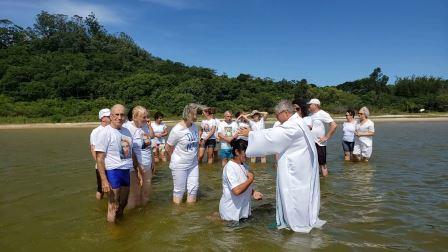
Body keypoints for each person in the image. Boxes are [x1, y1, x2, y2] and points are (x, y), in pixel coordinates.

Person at [239, 100, 325, 233]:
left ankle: (295, 224)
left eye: (277, 114)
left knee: (294, 195)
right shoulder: (299, 122)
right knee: (301, 195)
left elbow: (272, 137)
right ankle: (296, 219)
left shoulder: (293, 126)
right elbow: (275, 133)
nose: (276, 117)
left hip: (294, 170)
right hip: (301, 167)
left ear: (285, 113)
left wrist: (250, 134)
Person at [95, 104, 134, 222]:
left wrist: (136, 169)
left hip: (125, 171)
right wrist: (104, 180)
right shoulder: (105, 133)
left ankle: (120, 224)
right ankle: (112, 231)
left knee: (124, 202)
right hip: (113, 171)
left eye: (122, 115)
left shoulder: (126, 131)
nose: (119, 117)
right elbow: (99, 158)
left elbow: (130, 152)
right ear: (111, 116)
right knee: (113, 204)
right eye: (116, 114)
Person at [166, 103, 204, 204]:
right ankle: (177, 214)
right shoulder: (177, 129)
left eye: (197, 114)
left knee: (193, 189)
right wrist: (173, 160)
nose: (196, 117)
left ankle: (191, 215)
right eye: (194, 115)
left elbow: (195, 143)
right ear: (187, 114)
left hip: (193, 164)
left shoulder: (195, 127)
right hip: (179, 164)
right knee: (179, 191)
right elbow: (168, 147)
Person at [219, 139, 263, 222]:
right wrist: (250, 180)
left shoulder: (244, 165)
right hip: (231, 214)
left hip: (242, 212)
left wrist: (253, 193)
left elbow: (241, 184)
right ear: (237, 152)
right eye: (245, 153)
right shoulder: (230, 167)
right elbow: (236, 190)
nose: (247, 156)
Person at [124, 106, 155, 209]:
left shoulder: (145, 126)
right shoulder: (128, 128)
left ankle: (144, 215)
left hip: (147, 165)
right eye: (143, 117)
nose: (147, 119)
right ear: (135, 117)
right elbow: (129, 151)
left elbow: (149, 144)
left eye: (147, 117)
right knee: (134, 196)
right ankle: (131, 219)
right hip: (133, 167)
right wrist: (137, 168)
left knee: (146, 192)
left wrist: (153, 162)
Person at [307, 98, 337, 177]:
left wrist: (326, 137)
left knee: (322, 164)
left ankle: (325, 181)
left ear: (316, 105)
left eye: (310, 104)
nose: (308, 106)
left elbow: (334, 125)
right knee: (313, 163)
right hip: (311, 142)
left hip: (320, 143)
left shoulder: (322, 113)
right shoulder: (310, 115)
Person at [89, 108, 110, 200]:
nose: (111, 117)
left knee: (112, 188)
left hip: (112, 164)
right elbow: (93, 149)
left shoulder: (112, 129)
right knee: (100, 189)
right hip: (101, 165)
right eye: (109, 116)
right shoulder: (96, 131)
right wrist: (100, 163)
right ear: (102, 118)